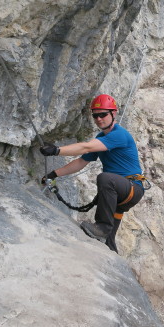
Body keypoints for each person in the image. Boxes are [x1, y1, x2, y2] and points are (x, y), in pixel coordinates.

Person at [39, 94, 145, 253]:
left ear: (113, 114)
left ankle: (102, 226)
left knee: (105, 178)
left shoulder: (119, 134)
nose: (99, 119)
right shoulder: (101, 137)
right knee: (107, 243)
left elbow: (86, 147)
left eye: (103, 114)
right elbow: (81, 162)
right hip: (119, 192)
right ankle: (110, 251)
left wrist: (56, 150)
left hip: (131, 188)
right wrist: (53, 174)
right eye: (95, 116)